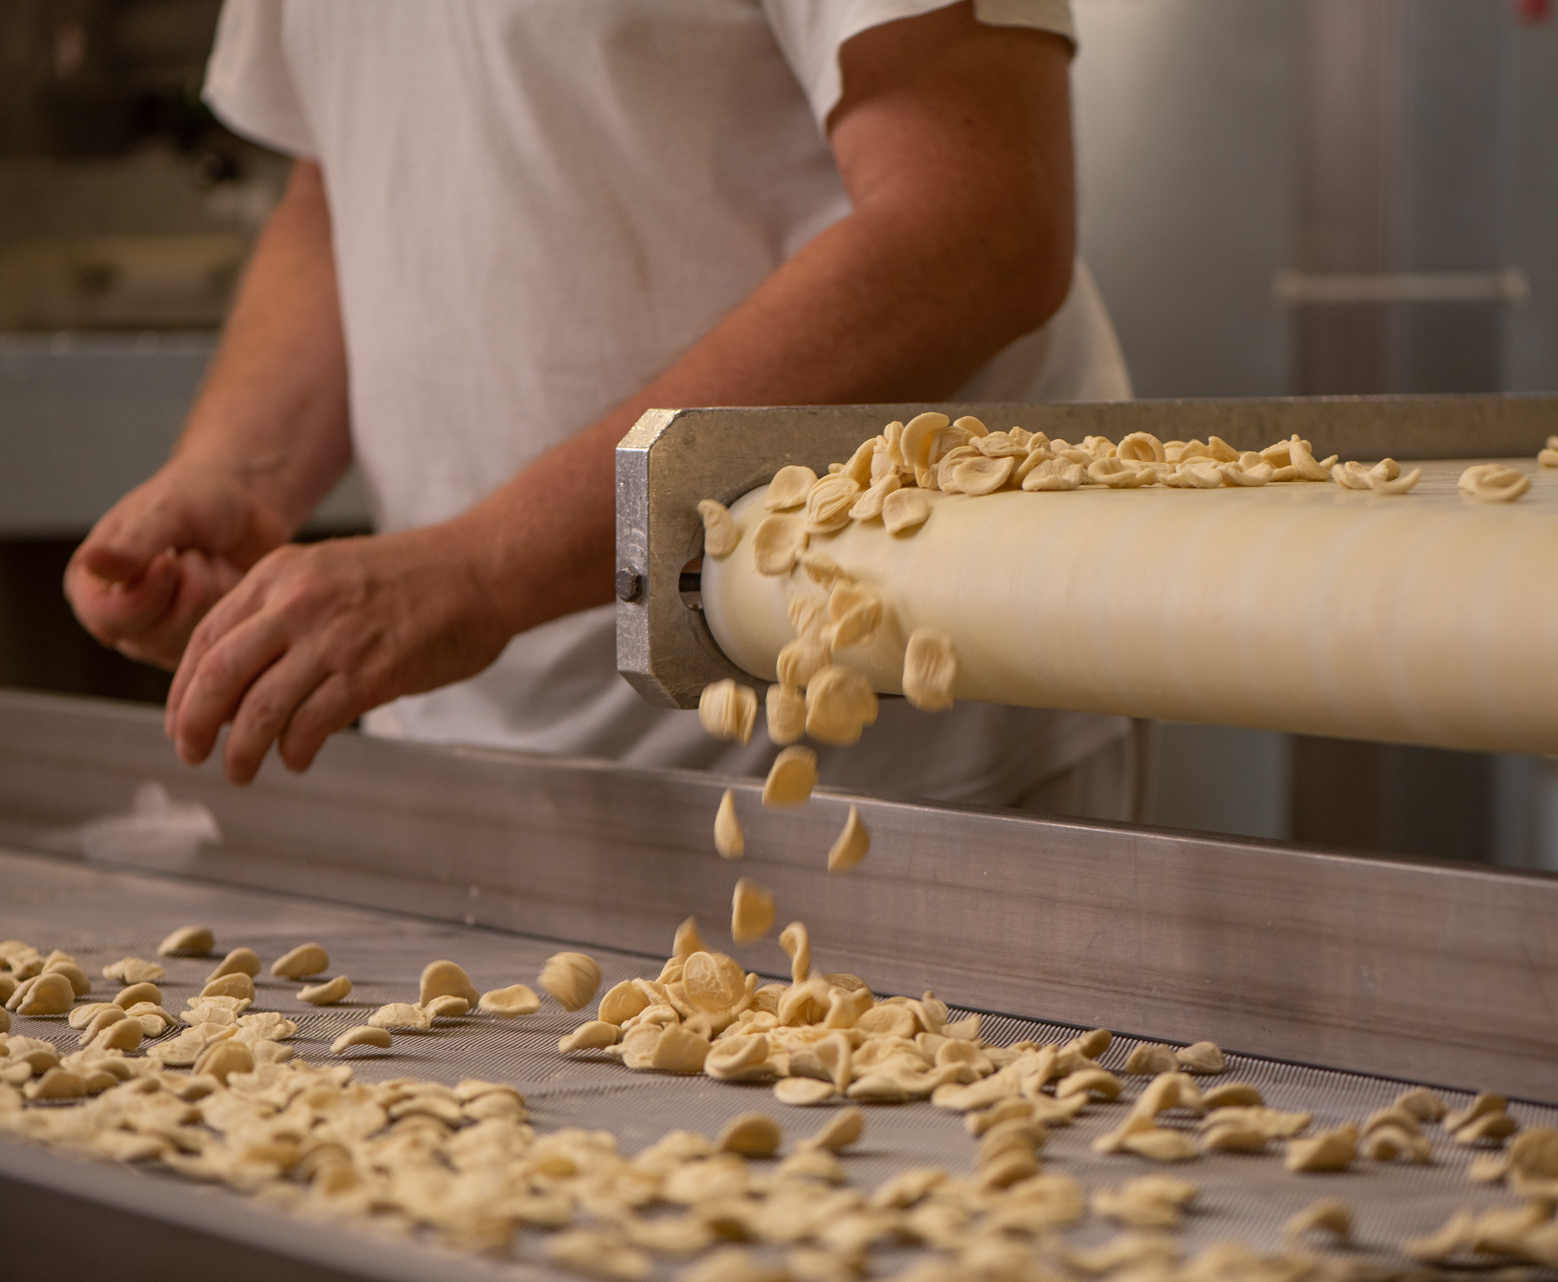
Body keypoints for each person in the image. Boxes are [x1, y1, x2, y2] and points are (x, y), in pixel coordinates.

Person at [65, 0, 1133, 814]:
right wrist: (239, 471)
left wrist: (486, 567)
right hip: (475, 747)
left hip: (875, 744)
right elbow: (337, 179)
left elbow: (975, 232)